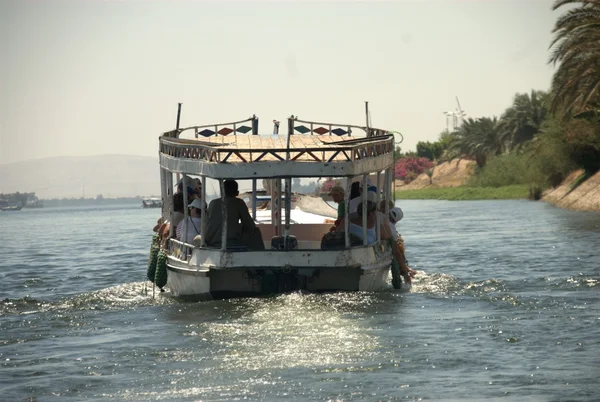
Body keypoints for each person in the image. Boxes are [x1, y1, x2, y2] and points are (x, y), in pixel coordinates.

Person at [204, 179, 265, 249]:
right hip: (229, 242)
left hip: (210, 241)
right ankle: (259, 256)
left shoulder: (213, 203)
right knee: (256, 232)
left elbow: (208, 222)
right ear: (237, 193)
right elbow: (249, 225)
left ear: (222, 192)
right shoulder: (238, 203)